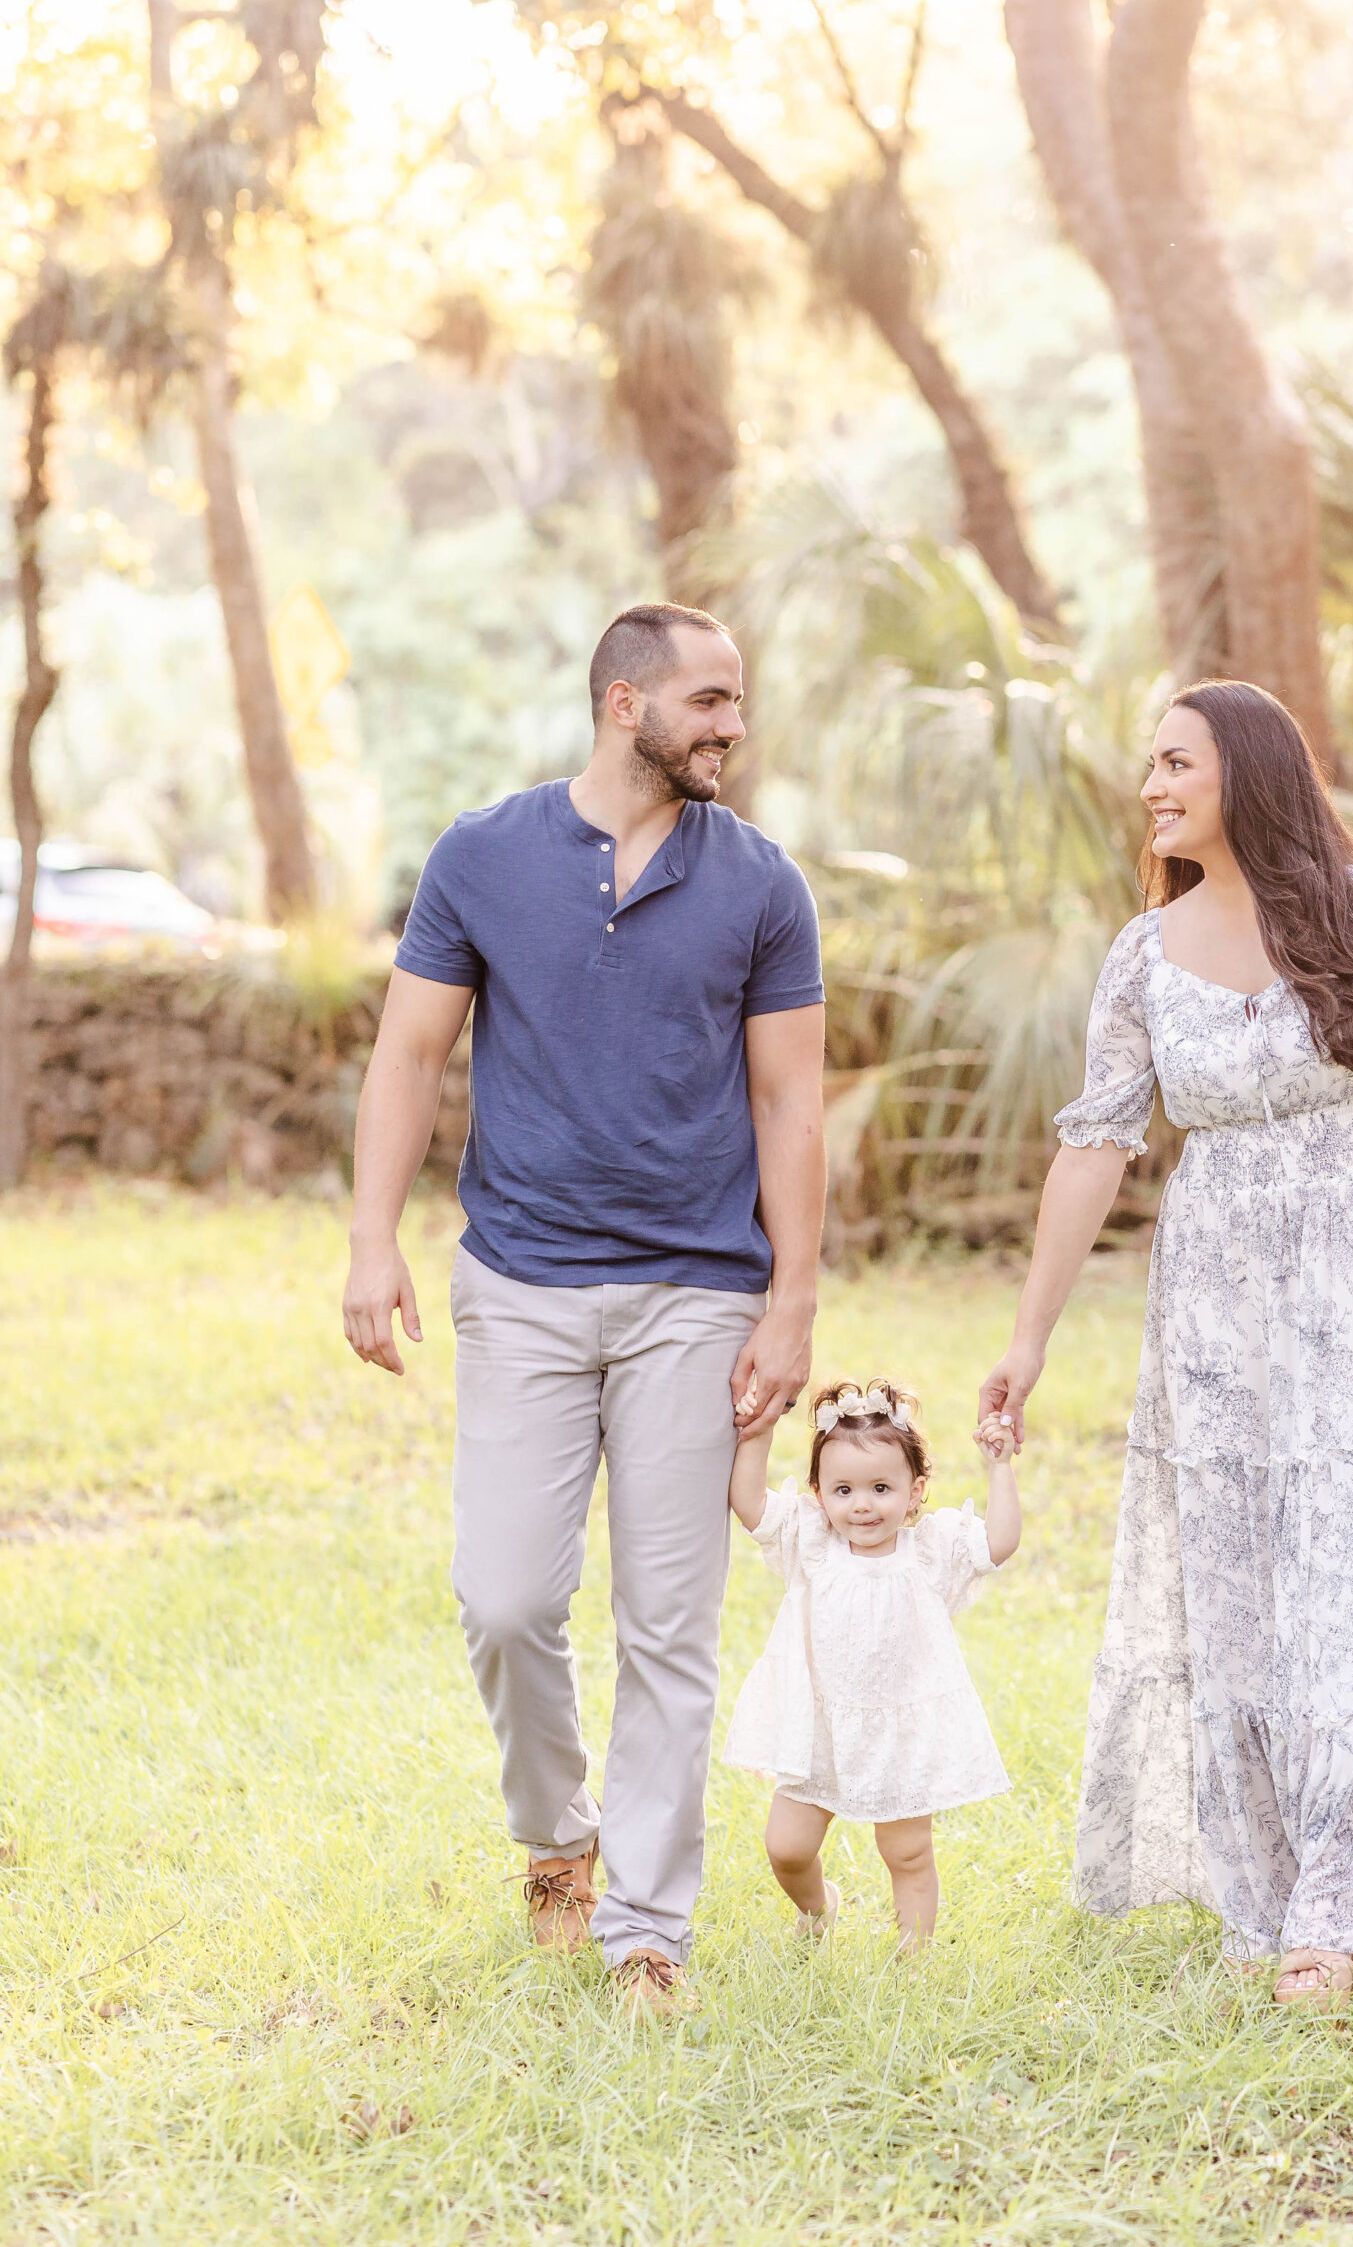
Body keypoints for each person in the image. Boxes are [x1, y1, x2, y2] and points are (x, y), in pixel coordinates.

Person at [978, 679, 1353, 2007]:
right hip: (1216, 1299)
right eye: (1146, 766)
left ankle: (1350, 1897)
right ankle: (1268, 1892)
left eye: (1173, 761)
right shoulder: (1140, 956)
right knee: (1245, 1576)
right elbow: (1094, 1147)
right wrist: (1026, 1343)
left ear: (1247, 772)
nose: (1148, 787)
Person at [341, 602, 827, 2016]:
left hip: (695, 1293)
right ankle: (559, 1839)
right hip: (523, 1286)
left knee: (669, 1624)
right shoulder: (483, 857)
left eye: (737, 699)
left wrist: (790, 1298)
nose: (733, 723)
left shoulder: (759, 884)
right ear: (626, 703)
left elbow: (790, 1101)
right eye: (711, 699)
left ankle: (643, 1933)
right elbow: (407, 1056)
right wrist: (371, 1240)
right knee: (504, 1599)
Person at [724, 1379, 1020, 1948]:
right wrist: (758, 1432)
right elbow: (751, 1506)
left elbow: (999, 1543)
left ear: (915, 1492)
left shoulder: (930, 1552)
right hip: (819, 1730)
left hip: (900, 1732)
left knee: (907, 1852)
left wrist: (999, 1469)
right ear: (818, 1494)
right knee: (786, 1848)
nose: (862, 1504)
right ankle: (818, 1908)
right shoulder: (811, 1544)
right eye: (843, 1490)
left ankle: (914, 1957)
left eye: (881, 1487)